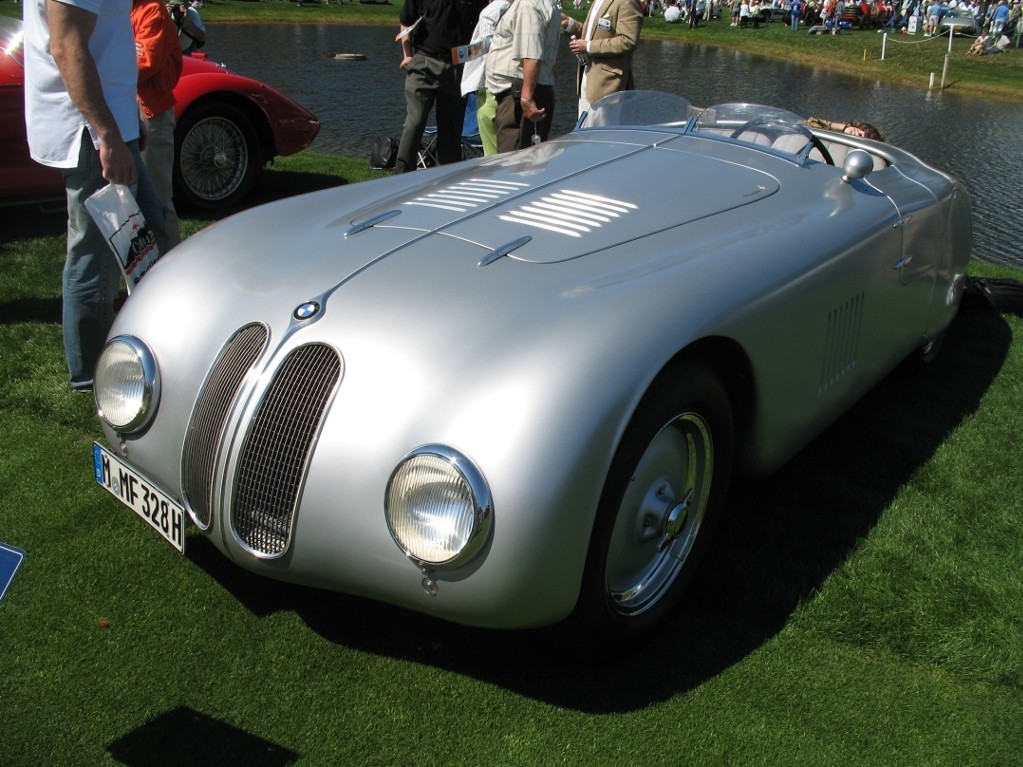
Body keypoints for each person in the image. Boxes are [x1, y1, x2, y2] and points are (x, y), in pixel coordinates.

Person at [23, 0, 169, 393]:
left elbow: (101, 43)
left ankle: (160, 344)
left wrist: (123, 118)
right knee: (96, 257)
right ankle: (89, 376)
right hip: (90, 136)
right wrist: (106, 133)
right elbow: (67, 46)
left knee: (157, 239)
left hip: (109, 123)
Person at [394, 0, 486, 173]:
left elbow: (484, 31)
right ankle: (401, 176)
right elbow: (406, 21)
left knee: (451, 130)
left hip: (457, 67)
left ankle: (447, 181)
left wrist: (473, 63)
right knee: (415, 123)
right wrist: (407, 54)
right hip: (424, 62)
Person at [133, 0, 183, 248]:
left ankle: (171, 266)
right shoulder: (122, 11)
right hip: (128, 107)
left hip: (151, 112)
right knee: (131, 200)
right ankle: (143, 269)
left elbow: (146, 62)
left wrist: (108, 72)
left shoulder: (151, 10)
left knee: (157, 196)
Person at [485, 0, 561, 153]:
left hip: (520, 97)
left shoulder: (529, 4)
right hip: (527, 92)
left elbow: (532, 55)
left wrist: (526, 98)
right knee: (528, 163)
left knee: (513, 165)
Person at [562, 0, 643, 118]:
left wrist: (588, 47)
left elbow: (628, 40)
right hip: (587, 80)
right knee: (583, 133)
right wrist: (570, 24)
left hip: (606, 87)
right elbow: (592, 35)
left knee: (601, 135)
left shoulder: (627, 2)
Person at [460, 0, 511, 156]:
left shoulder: (493, 11)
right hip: (511, 85)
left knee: (492, 152)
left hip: (490, 88)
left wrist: (457, 56)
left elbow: (487, 48)